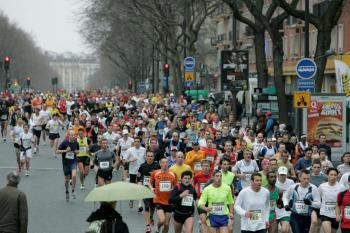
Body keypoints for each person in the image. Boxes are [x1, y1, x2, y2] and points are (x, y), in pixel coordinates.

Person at [149, 158, 177, 233]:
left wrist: (173, 189)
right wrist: (152, 188)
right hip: (158, 200)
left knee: (166, 224)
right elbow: (150, 183)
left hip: (169, 201)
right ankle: (157, 228)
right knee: (162, 220)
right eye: (163, 163)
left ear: (168, 164)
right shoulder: (155, 173)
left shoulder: (173, 174)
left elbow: (176, 186)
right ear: (160, 164)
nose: (165, 164)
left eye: (166, 162)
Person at [138, 151, 160, 233]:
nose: (150, 157)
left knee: (152, 206)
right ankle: (147, 226)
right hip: (145, 189)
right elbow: (139, 176)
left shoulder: (157, 166)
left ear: (153, 157)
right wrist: (140, 184)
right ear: (146, 157)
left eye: (151, 156)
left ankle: (151, 217)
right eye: (148, 156)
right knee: (147, 206)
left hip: (154, 189)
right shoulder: (142, 166)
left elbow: (159, 177)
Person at [56, 130, 79, 201]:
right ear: (68, 135)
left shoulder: (76, 143)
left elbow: (78, 151)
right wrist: (65, 151)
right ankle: (67, 191)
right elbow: (57, 151)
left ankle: (73, 191)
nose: (73, 136)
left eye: (74, 135)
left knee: (74, 176)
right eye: (71, 135)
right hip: (66, 163)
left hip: (73, 162)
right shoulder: (64, 143)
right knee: (67, 179)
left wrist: (76, 152)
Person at [319, 168, 343, 233]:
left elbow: (342, 202)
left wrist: (340, 214)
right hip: (325, 213)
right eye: (331, 174)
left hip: (335, 214)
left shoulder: (341, 187)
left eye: (335, 175)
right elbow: (319, 198)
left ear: (337, 176)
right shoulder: (322, 186)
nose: (333, 176)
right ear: (327, 175)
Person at [124, 137, 146, 210]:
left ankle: (140, 205)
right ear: (133, 142)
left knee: (140, 187)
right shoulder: (130, 150)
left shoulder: (143, 149)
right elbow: (124, 161)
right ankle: (131, 200)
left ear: (140, 142)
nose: (136, 143)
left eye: (138, 141)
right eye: (135, 141)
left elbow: (145, 159)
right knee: (133, 188)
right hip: (132, 171)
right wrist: (131, 160)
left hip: (141, 172)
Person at [193, 159, 212, 233]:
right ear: (201, 166)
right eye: (204, 166)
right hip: (201, 200)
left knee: (209, 221)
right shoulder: (197, 176)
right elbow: (192, 187)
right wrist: (195, 198)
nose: (206, 167)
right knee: (203, 219)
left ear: (210, 167)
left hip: (211, 200)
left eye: (207, 166)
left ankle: (201, 228)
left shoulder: (212, 176)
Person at [275, 167, 294, 233]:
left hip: (286, 209)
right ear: (278, 174)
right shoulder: (274, 181)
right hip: (275, 209)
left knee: (285, 230)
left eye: (284, 175)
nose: (283, 176)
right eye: (281, 175)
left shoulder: (291, 182)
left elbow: (292, 195)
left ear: (287, 174)